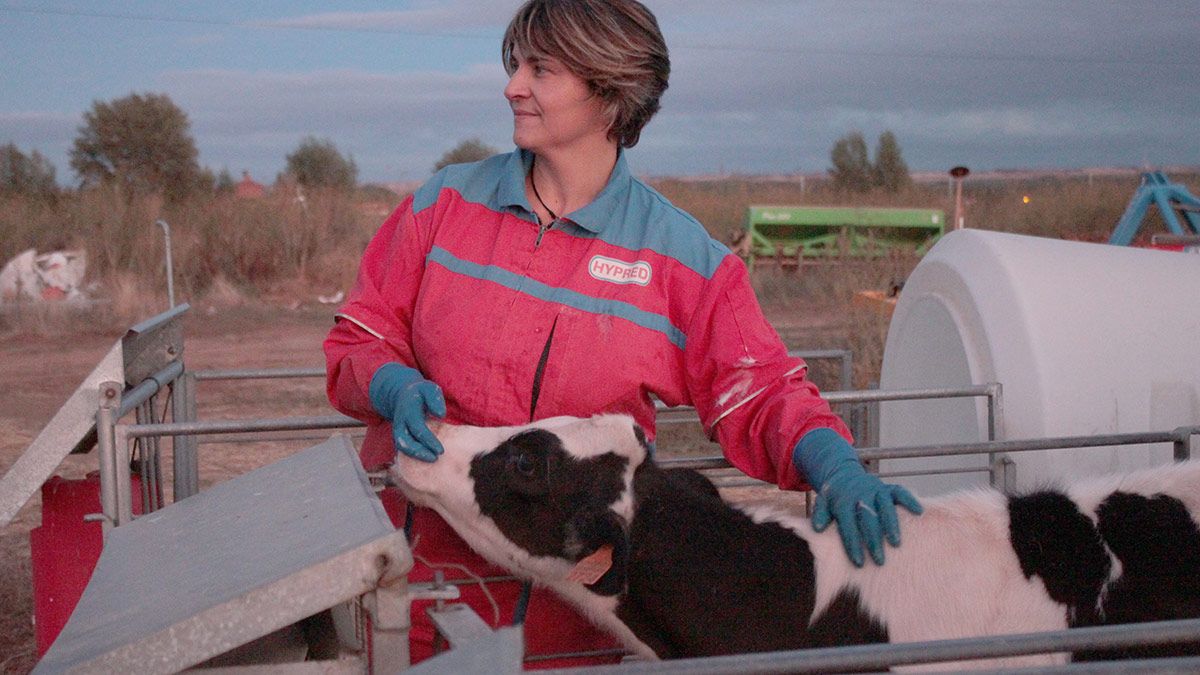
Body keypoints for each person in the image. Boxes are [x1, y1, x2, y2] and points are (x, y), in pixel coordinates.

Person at [325, 0, 922, 666]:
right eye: (515, 63)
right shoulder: (445, 205)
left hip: (564, 628)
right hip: (406, 597)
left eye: (540, 69)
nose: (512, 85)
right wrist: (388, 379)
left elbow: (762, 393)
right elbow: (358, 337)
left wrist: (835, 466)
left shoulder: (682, 261)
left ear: (610, 91)